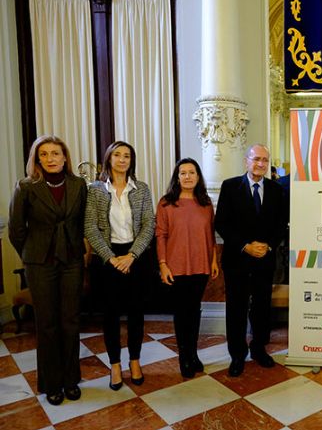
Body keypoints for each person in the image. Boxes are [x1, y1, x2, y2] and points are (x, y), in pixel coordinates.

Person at [8, 135, 87, 406]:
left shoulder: (78, 185)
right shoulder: (26, 187)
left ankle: (71, 379)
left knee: (70, 322)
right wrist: (32, 255)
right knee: (48, 324)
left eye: (56, 153)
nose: (51, 158)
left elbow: (80, 223)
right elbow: (16, 230)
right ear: (37, 159)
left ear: (65, 157)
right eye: (44, 154)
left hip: (72, 262)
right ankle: (51, 383)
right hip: (40, 264)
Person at [84, 141, 155, 390]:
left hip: (135, 258)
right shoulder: (95, 190)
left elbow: (149, 224)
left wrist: (132, 255)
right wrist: (110, 257)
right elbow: (90, 226)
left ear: (131, 161)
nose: (122, 159)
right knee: (111, 315)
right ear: (108, 159)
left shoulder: (142, 189)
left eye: (127, 156)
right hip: (107, 259)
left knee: (136, 314)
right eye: (117, 155)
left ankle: (135, 361)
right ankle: (115, 365)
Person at [215, 144, 287, 376]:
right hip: (237, 259)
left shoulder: (276, 190)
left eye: (265, 160)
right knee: (236, 308)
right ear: (246, 161)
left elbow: (280, 225)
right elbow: (222, 223)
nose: (261, 164)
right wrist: (246, 246)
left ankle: (258, 348)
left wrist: (268, 246)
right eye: (256, 159)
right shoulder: (230, 186)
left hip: (264, 260)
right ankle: (237, 355)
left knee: (261, 307)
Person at [156, 158, 219, 378]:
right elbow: (161, 236)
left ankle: (193, 354)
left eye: (192, 172)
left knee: (194, 310)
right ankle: (184, 356)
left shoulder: (206, 203)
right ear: (177, 177)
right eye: (183, 173)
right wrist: (163, 265)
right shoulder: (166, 203)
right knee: (182, 312)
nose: (188, 176)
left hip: (201, 264)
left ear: (198, 176)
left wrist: (213, 260)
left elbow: (210, 234)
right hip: (176, 265)